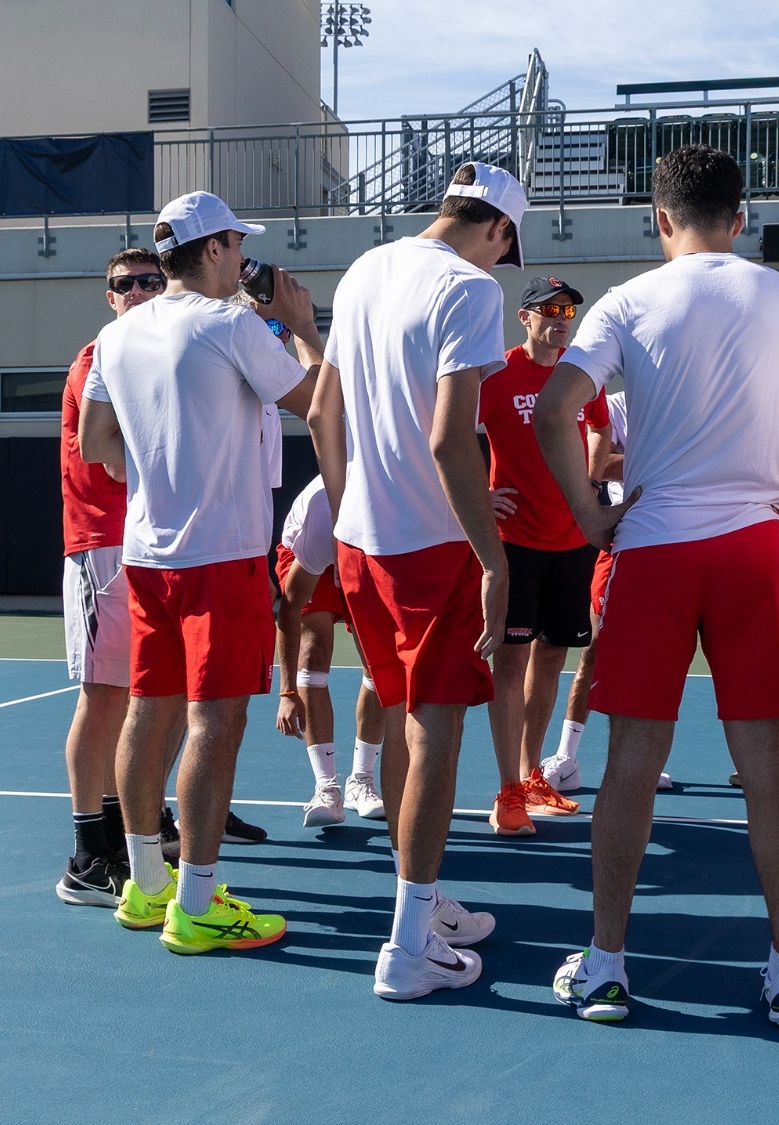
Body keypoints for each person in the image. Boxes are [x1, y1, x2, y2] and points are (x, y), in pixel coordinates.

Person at [537, 143, 779, 1031]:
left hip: (654, 549)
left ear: (660, 221)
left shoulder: (628, 301)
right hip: (752, 547)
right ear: (741, 220)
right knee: (770, 765)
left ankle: (609, 966)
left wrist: (590, 518)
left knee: (630, 763)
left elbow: (554, 411)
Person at [78, 190, 322, 955]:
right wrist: (309, 330)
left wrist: (163, 464)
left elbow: (93, 440)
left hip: (148, 552)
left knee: (149, 712)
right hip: (220, 554)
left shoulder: (116, 335)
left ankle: (147, 887)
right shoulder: (229, 323)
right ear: (212, 249)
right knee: (215, 722)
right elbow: (318, 402)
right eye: (237, 248)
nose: (243, 262)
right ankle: (198, 901)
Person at [308, 161, 524, 1001]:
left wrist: (346, 500)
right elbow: (448, 441)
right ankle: (405, 947)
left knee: (402, 720)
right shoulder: (470, 292)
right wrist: (494, 560)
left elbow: (324, 412)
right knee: (434, 734)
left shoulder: (365, 266)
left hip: (363, 540)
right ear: (498, 231)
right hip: (429, 549)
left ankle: (421, 901)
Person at [55, 248, 164, 908]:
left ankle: (135, 823)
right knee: (104, 698)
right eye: (127, 284)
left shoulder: (149, 352)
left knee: (143, 697)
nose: (141, 291)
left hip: (144, 542)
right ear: (111, 297)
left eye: (152, 280)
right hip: (102, 544)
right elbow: (122, 459)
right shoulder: (103, 356)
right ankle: (87, 853)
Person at [477, 275, 605, 834]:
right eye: (548, 309)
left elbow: (601, 429)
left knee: (553, 658)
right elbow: (443, 434)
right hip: (516, 545)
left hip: (573, 541)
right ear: (524, 317)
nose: (560, 318)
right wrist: (478, 495)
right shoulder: (496, 375)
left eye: (569, 311)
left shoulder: (580, 374)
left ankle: (532, 775)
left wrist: (590, 485)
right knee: (510, 664)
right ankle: (506, 792)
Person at [540, 390, 675, 795]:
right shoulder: (616, 404)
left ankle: (651, 759)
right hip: (624, 539)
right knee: (595, 649)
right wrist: (656, 466)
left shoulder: (684, 395)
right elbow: (595, 463)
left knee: (663, 656)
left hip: (680, 541)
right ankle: (567, 757)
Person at [274, 474, 387, 827]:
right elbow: (289, 611)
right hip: (309, 553)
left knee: (379, 665)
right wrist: (287, 690)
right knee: (315, 652)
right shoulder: (320, 519)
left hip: (368, 553)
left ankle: (361, 780)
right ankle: (327, 788)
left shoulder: (394, 510)